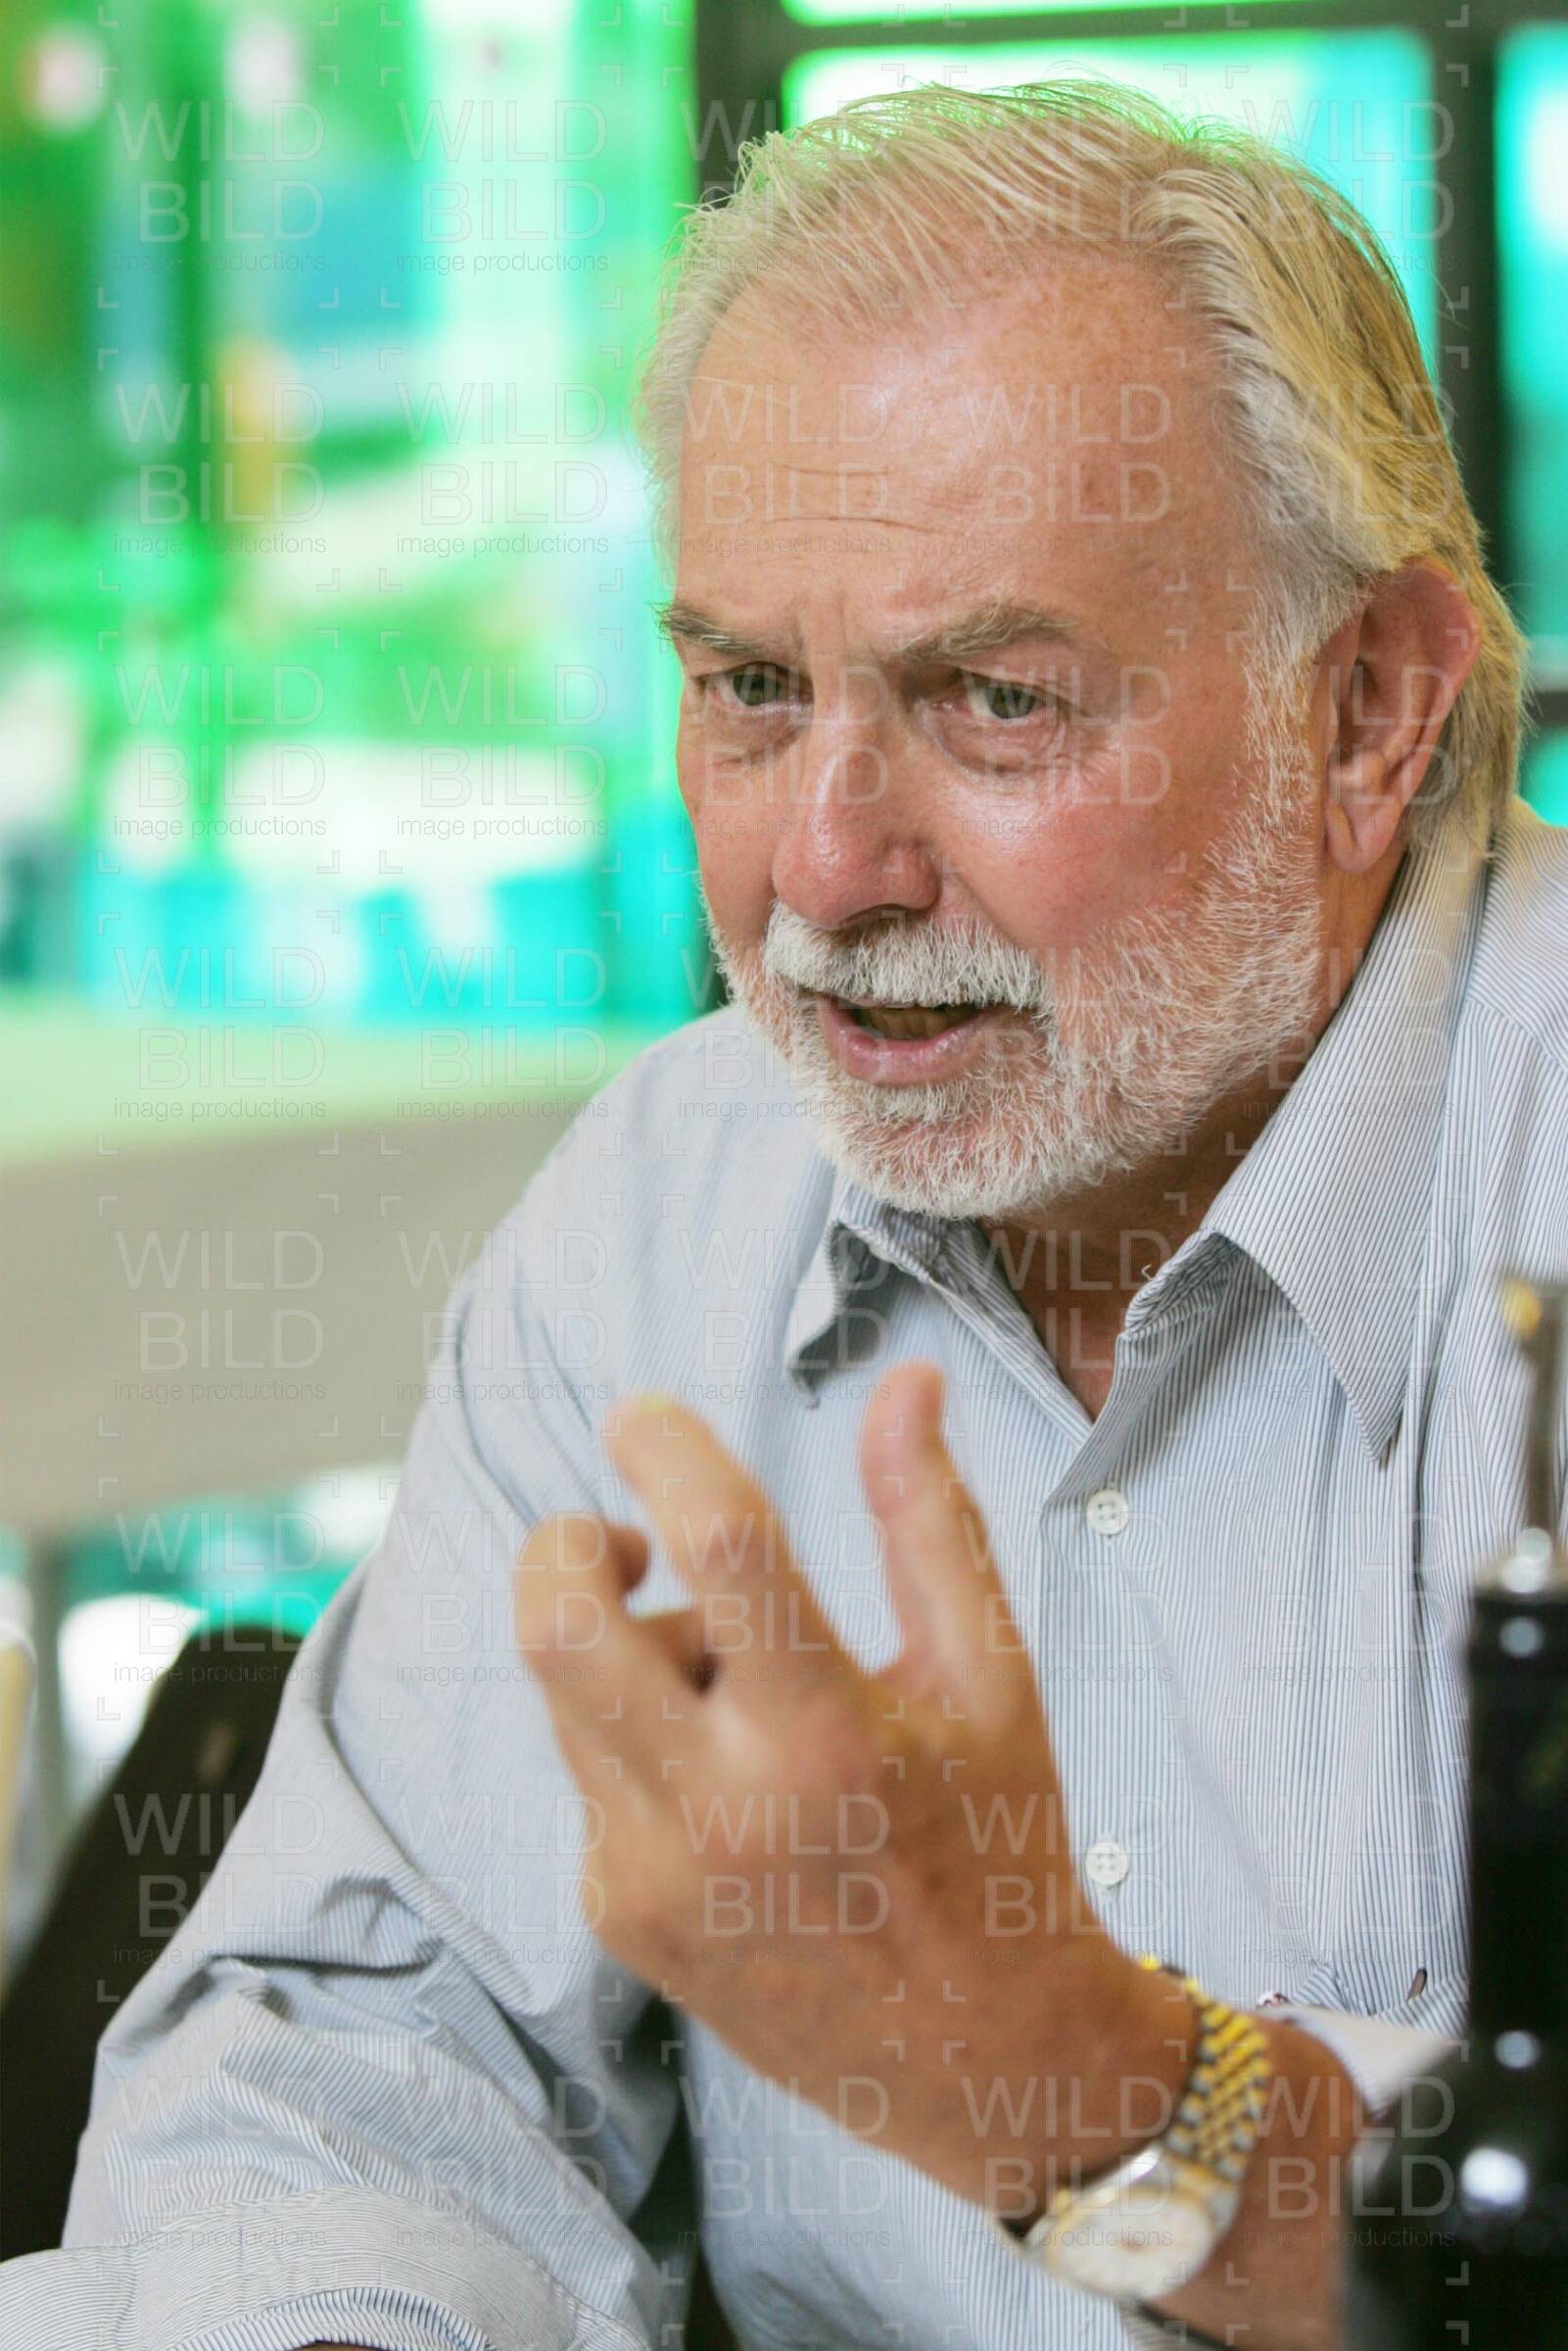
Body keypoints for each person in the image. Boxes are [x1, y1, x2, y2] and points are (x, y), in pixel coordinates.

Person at [3, 73, 1563, 2351]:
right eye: (746, 689)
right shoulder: (668, 1202)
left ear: (1368, 710)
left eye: (996, 701)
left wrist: (1114, 2115)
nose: (822, 869)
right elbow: (347, 2075)